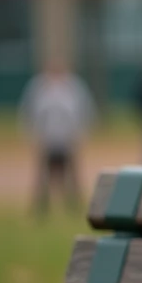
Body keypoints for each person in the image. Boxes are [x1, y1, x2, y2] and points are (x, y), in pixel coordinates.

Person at [19, 58, 94, 215]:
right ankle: (41, 208)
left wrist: (80, 134)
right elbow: (28, 112)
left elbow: (85, 111)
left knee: (72, 178)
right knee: (44, 178)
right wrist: (32, 135)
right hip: (47, 140)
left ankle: (74, 207)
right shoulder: (38, 87)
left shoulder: (74, 87)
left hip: (67, 141)